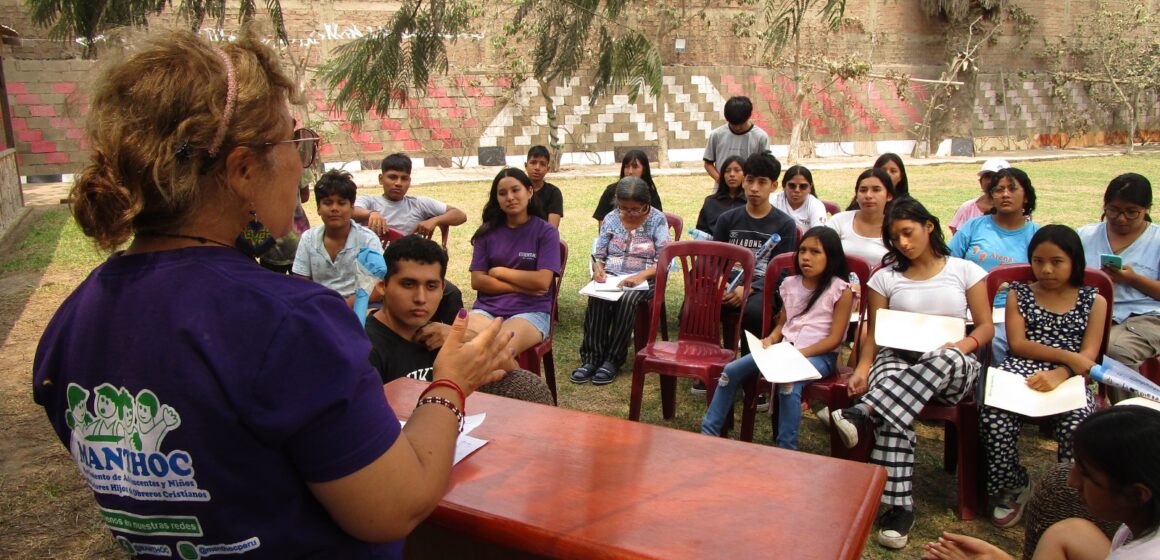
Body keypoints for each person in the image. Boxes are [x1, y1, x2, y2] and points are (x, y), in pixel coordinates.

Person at [32, 29, 516, 558]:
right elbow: (394, 507)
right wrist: (449, 383)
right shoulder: (290, 321)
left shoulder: (72, 319)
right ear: (242, 168)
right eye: (297, 142)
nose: (303, 165)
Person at [830, 197, 994, 550]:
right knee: (891, 387)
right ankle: (900, 508)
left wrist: (960, 347)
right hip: (898, 358)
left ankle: (865, 411)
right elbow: (875, 332)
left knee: (941, 360)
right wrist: (862, 367)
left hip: (952, 365)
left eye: (908, 233)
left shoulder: (964, 270)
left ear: (929, 226)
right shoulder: (885, 278)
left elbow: (984, 327)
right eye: (895, 238)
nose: (903, 243)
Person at [981, 225, 1107, 528]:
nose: (1046, 269)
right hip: (1021, 367)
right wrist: (1066, 356)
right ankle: (1012, 484)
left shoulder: (1094, 301)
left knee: (1077, 423)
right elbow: (1018, 344)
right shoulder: (1019, 293)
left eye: (1056, 261)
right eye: (1038, 261)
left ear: (1074, 261)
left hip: (1071, 377)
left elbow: (1088, 355)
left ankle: (1067, 495)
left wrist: (1062, 372)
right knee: (993, 414)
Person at [922, 406, 1160, 560]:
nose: (1072, 480)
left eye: (1086, 475)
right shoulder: (1142, 525)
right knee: (1068, 533)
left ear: (1138, 494)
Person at [701, 227, 854, 450]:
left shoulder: (841, 290)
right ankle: (709, 433)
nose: (806, 257)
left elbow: (835, 339)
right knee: (730, 372)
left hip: (819, 356)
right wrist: (771, 339)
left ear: (831, 256)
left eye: (815, 252)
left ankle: (786, 449)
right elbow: (783, 323)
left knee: (789, 384)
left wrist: (797, 355)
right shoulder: (790, 284)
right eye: (802, 251)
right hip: (784, 350)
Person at [365, 235, 552, 404]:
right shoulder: (365, 347)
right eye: (408, 284)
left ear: (442, 289)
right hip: (395, 437)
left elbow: (513, 374)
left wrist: (467, 338)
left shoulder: (440, 336)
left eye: (431, 286)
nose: (420, 298)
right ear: (382, 286)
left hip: (453, 429)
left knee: (530, 386)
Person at [693, 153, 798, 396]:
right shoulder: (727, 219)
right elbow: (712, 258)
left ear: (774, 186)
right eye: (750, 180)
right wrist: (719, 284)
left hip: (762, 288)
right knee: (699, 305)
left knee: (753, 312)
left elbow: (783, 272)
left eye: (762, 182)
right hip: (727, 284)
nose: (754, 188)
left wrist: (748, 288)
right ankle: (709, 368)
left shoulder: (784, 224)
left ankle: (752, 376)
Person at [571, 177, 670, 385]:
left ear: (646, 204)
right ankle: (591, 358)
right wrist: (598, 269)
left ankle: (613, 360)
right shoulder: (611, 218)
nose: (629, 213)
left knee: (628, 299)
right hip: (613, 277)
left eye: (635, 209)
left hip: (645, 278)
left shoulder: (657, 219)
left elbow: (663, 261)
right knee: (597, 297)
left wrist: (639, 277)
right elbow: (599, 254)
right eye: (624, 208)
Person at [950, 167, 1041, 364]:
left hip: (1008, 313)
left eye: (1012, 189)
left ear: (1026, 197)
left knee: (996, 344)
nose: (1005, 194)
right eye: (999, 190)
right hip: (963, 308)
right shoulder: (974, 226)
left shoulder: (1036, 235)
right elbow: (948, 262)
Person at [1078, 173, 1160, 391]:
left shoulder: (1157, 240)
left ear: (1147, 209)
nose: (1121, 218)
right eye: (1113, 210)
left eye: (1132, 212)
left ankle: (1133, 418)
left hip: (1147, 317)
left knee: (1116, 350)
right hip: (1091, 314)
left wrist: (1133, 279)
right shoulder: (1085, 236)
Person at [468, 168, 563, 355]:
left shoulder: (545, 232)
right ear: (496, 199)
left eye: (515, 190)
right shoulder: (486, 232)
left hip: (531, 311)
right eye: (502, 193)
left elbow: (542, 282)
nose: (509, 197)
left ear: (529, 191)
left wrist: (499, 272)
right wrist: (523, 287)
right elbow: (478, 281)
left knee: (498, 349)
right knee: (457, 348)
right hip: (487, 310)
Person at [292, 169, 384, 306]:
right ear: (318, 208)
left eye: (341, 203)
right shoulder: (308, 239)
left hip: (362, 305)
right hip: (322, 306)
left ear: (352, 208)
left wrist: (346, 305)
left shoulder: (367, 239)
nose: (334, 208)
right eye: (328, 203)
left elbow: (379, 287)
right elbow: (301, 284)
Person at [353, 152, 468, 238]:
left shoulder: (419, 204)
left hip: (410, 264)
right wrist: (371, 213)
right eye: (392, 177)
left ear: (409, 181)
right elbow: (351, 212)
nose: (398, 183)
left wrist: (435, 221)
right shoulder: (369, 202)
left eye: (404, 178)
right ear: (381, 179)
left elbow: (460, 215)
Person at [826, 168, 895, 266]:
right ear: (857, 195)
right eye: (863, 190)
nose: (868, 195)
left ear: (889, 196)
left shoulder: (896, 228)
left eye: (876, 190)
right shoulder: (839, 221)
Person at [703, 95, 771, 182]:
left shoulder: (760, 137)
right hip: (722, 191)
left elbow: (765, 167)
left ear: (748, 116)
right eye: (733, 124)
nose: (737, 128)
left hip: (747, 191)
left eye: (740, 124)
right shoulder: (717, 135)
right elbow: (708, 163)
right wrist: (721, 181)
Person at [593, 150, 664, 223]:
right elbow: (602, 221)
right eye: (626, 167)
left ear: (644, 169)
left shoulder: (650, 191)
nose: (630, 171)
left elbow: (658, 220)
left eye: (635, 167)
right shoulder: (611, 190)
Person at [259, 179, 311, 273]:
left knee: (272, 285)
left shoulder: (254, 167)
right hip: (298, 239)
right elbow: (305, 196)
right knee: (301, 284)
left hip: (267, 243)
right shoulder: (299, 165)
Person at [949, 158, 1010, 235]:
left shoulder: (1017, 209)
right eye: (987, 176)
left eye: (997, 177)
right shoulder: (967, 208)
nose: (991, 181)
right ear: (981, 182)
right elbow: (958, 242)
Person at [695, 155, 746, 236]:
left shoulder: (751, 203)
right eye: (727, 171)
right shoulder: (710, 202)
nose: (732, 174)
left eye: (737, 170)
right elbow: (701, 232)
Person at [771, 164, 828, 235]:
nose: (797, 190)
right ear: (784, 185)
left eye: (803, 186)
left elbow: (818, 235)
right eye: (792, 186)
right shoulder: (773, 200)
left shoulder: (816, 205)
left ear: (810, 187)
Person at [525, 144, 564, 228]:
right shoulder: (517, 190)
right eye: (533, 163)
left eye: (542, 164)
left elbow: (552, 228)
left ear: (548, 169)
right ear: (526, 165)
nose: (537, 168)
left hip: (543, 238)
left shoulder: (553, 193)